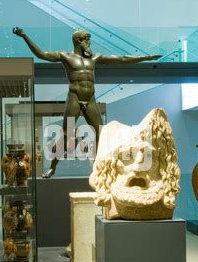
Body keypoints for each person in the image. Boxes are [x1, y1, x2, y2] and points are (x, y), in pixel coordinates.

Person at [13, 27, 162, 177]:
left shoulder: (94, 58)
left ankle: (101, 166)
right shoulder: (66, 56)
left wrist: (145, 58)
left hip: (90, 98)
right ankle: (53, 167)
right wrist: (24, 36)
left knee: (102, 133)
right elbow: (42, 54)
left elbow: (121, 59)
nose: (89, 42)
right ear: (78, 41)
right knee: (66, 134)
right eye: (86, 39)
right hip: (75, 97)